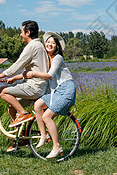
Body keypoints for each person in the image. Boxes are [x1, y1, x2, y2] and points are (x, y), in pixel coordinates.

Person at [0, 20, 49, 152]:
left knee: (2, 91)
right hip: (38, 86)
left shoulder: (32, 47)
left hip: (35, 87)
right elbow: (29, 70)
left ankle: (23, 113)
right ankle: (21, 140)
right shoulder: (38, 46)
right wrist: (13, 79)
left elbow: (17, 65)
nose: (20, 34)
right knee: (11, 109)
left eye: (21, 32)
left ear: (28, 32)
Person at [23, 31, 76, 159]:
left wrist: (33, 74)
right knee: (38, 105)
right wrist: (15, 78)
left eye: (53, 43)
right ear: (45, 44)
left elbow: (49, 75)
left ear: (57, 46)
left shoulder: (58, 58)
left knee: (47, 116)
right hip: (56, 92)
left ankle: (56, 146)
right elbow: (34, 71)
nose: (50, 44)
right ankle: (43, 135)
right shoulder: (46, 59)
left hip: (66, 90)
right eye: (48, 42)